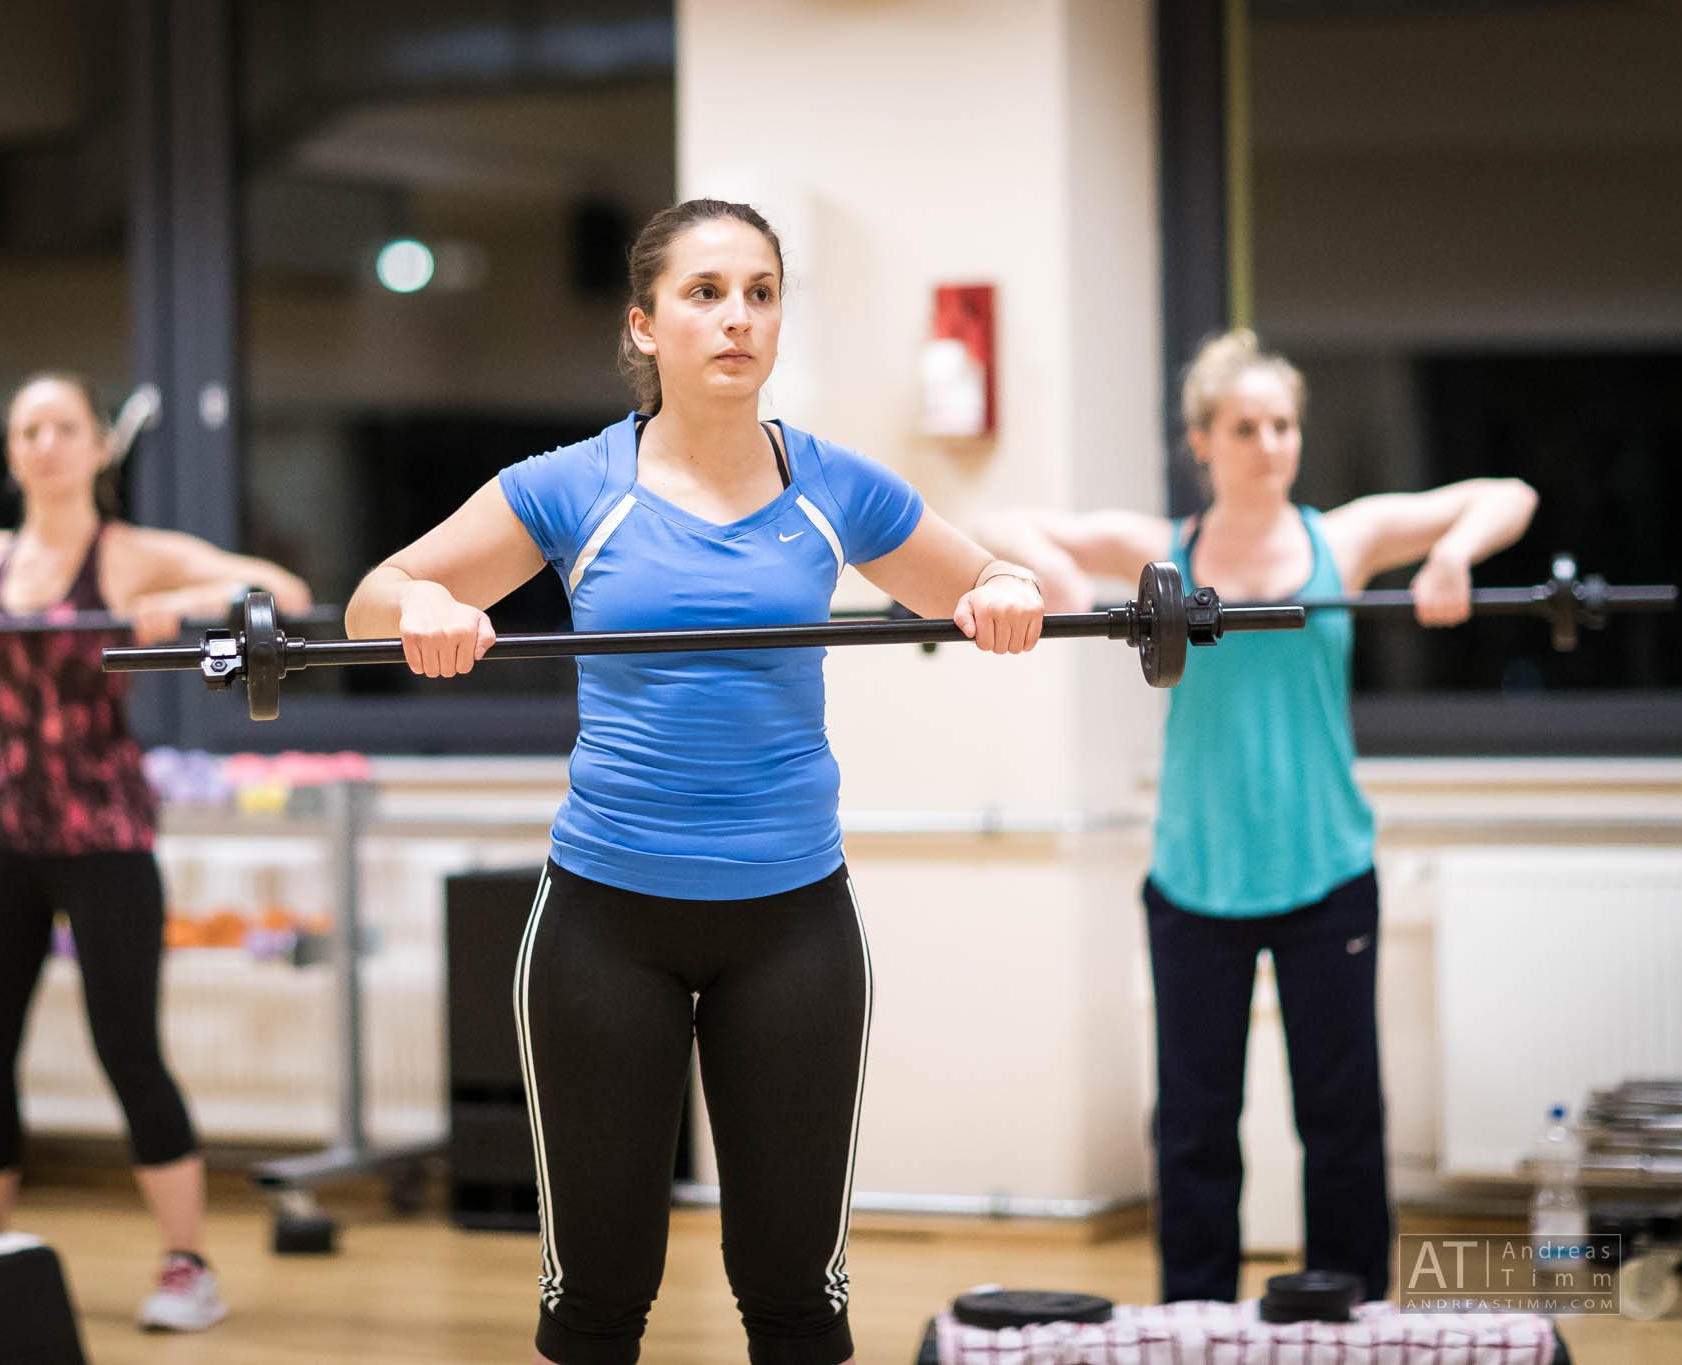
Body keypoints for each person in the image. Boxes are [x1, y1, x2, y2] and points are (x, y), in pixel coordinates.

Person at [346, 198, 1045, 1365]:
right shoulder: (574, 486)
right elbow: (381, 593)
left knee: (793, 1298)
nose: (737, 319)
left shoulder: (834, 487)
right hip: (602, 927)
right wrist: (420, 604)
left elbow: (974, 583)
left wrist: (1005, 591)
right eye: (705, 294)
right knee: (599, 1297)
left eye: (760, 294)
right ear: (643, 326)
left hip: (792, 928)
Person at [976, 329, 1538, 1304]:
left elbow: (1508, 495)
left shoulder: (1344, 541)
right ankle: (1193, 1322)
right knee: (1193, 1129)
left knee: (1341, 1121)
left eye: (1281, 425)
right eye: (1244, 427)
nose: (1268, 443)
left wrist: (1448, 556)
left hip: (1325, 872)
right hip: (1194, 880)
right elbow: (1002, 515)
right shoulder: (1161, 553)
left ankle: (1347, 1313)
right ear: (1202, 441)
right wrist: (1050, 581)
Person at [0, 371, 313, 1332]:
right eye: (26, 430)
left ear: (98, 447)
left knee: (128, 1047)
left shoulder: (129, 554)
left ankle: (187, 1265)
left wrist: (184, 603)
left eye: (61, 427)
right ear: (13, 456)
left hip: (106, 838)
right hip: (5, 835)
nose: (44, 443)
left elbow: (283, 590)